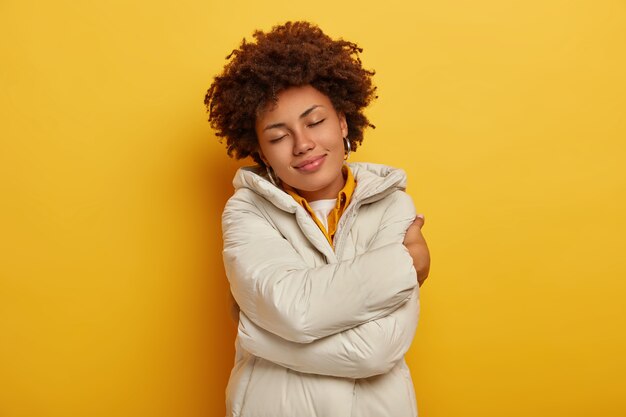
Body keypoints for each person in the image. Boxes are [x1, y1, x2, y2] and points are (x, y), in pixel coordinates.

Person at [205, 21, 430, 417]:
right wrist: (403, 264)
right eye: (278, 137)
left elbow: (377, 349)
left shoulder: (394, 205)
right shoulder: (246, 211)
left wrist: (259, 334)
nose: (302, 143)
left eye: (314, 122)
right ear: (260, 151)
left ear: (342, 122)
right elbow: (290, 309)